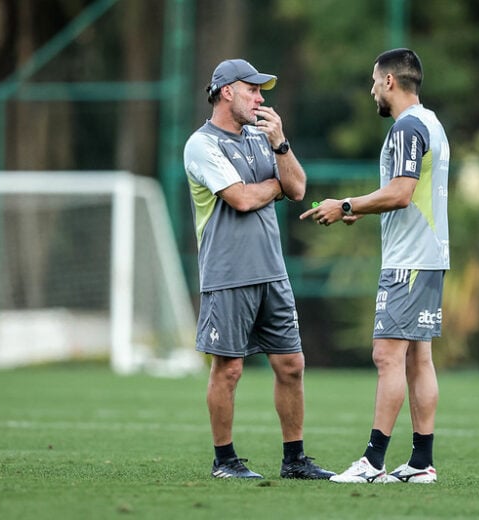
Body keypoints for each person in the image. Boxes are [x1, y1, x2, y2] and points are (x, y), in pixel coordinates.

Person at [299, 48, 450, 484]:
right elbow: (407, 194)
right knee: (418, 358)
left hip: (409, 262)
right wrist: (361, 211)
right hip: (431, 256)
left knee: (386, 356)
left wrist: (345, 202)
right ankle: (421, 463)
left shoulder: (406, 128)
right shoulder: (433, 124)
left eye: (373, 81)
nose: (371, 90)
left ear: (389, 82)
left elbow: (402, 192)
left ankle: (372, 463)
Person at [183, 59, 334, 480]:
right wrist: (276, 187)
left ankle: (295, 460)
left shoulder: (263, 137)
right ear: (226, 91)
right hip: (227, 274)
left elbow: (299, 188)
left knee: (291, 365)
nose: (261, 98)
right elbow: (242, 199)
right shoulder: (201, 144)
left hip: (273, 272)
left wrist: (281, 145)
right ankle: (225, 461)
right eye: (253, 89)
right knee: (228, 369)